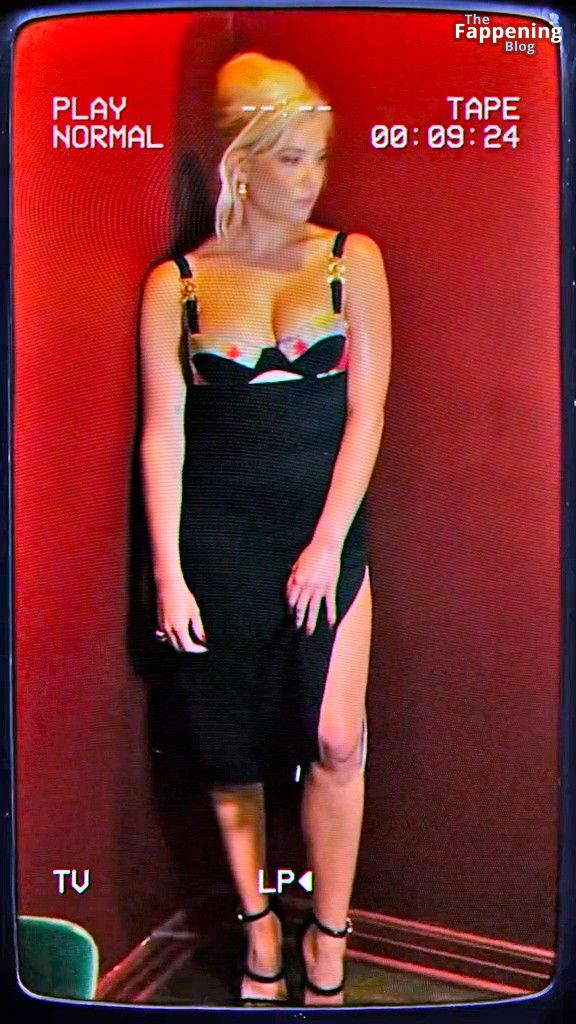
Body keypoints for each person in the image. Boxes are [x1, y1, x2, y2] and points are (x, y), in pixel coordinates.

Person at [139, 51, 391, 1007]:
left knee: (337, 738)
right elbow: (164, 433)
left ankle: (329, 936)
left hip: (323, 533)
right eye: (291, 157)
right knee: (229, 749)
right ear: (240, 162)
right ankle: (259, 935)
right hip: (216, 542)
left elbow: (366, 414)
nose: (312, 176)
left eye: (318, 155)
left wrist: (327, 543)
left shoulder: (351, 260)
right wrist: (169, 573)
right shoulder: (177, 284)